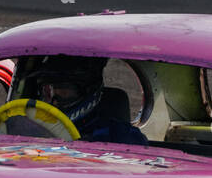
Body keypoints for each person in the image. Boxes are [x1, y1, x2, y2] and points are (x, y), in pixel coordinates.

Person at [10, 56, 146, 145]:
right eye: (47, 91)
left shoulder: (121, 136)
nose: (54, 100)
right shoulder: (25, 128)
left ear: (88, 91)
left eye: (63, 90)